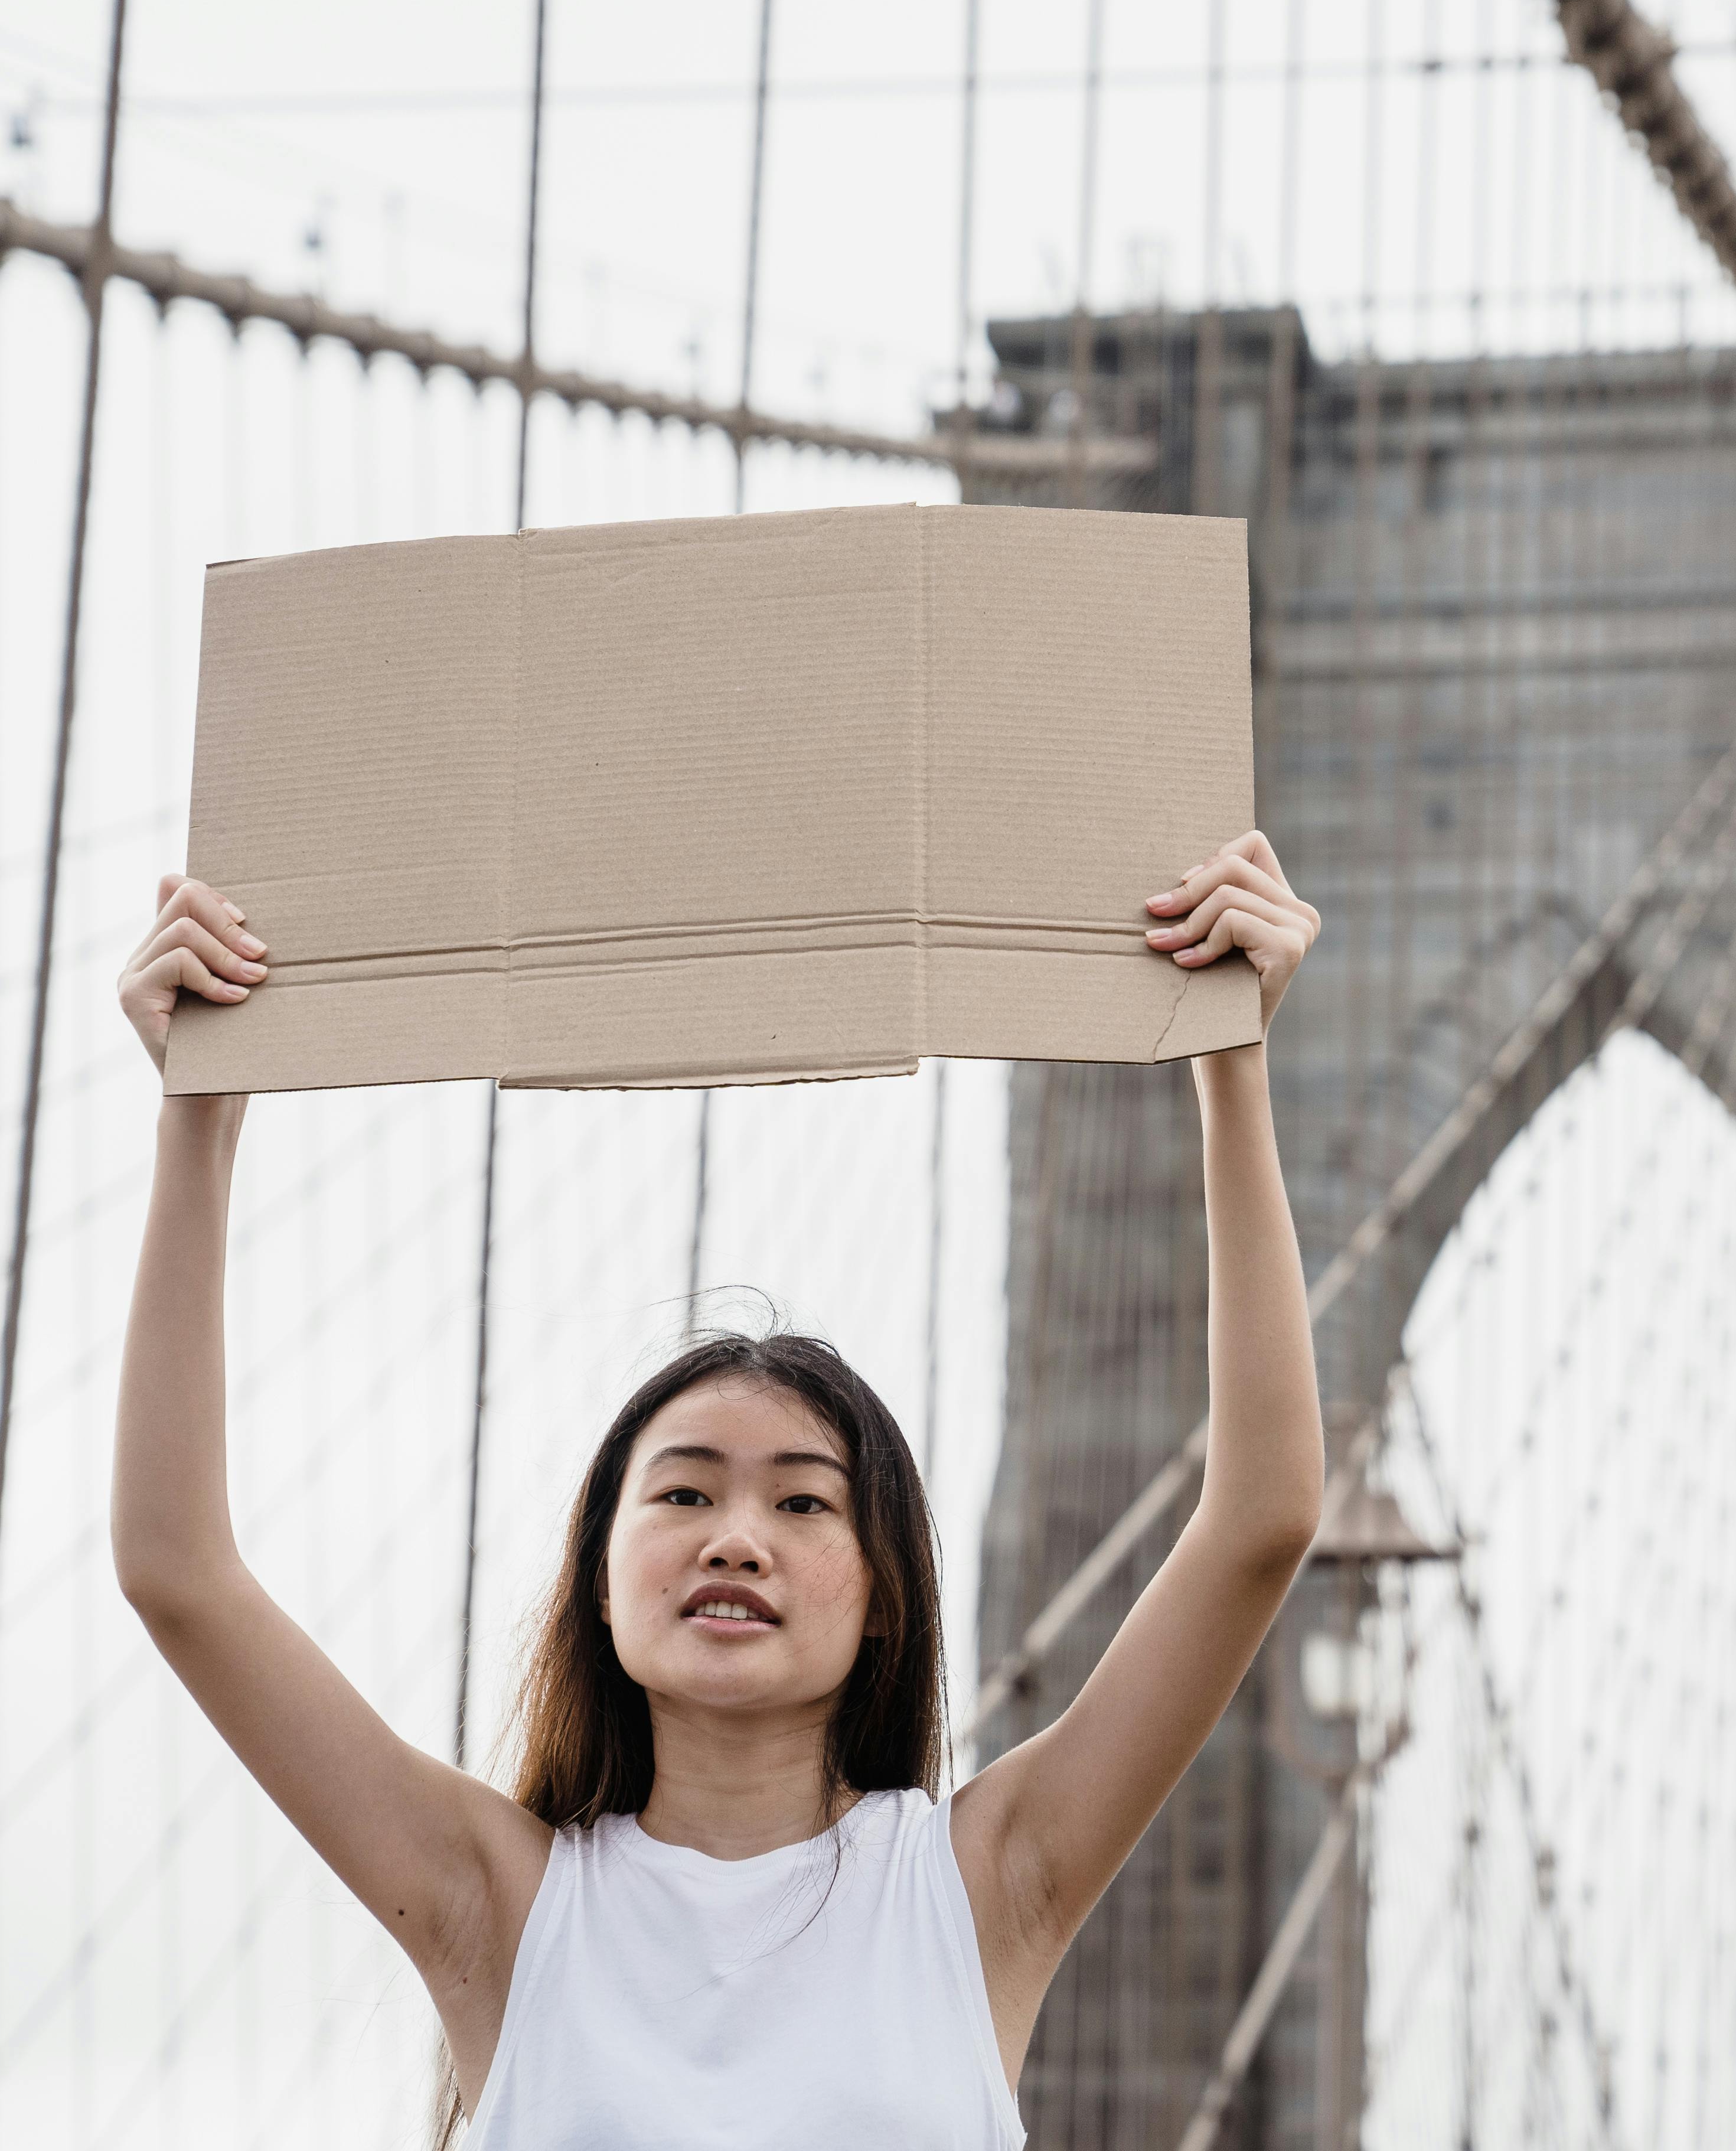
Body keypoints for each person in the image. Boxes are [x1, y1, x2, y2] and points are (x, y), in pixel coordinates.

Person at [109, 832, 1326, 2147]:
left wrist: (1230, 1064)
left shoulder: (981, 1889)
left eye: (804, 1504)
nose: (737, 1540)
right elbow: (180, 1571)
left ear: (885, 1597)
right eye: (684, 1496)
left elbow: (1259, 1522)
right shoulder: (498, 1905)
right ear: (601, 1576)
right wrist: (199, 1115)